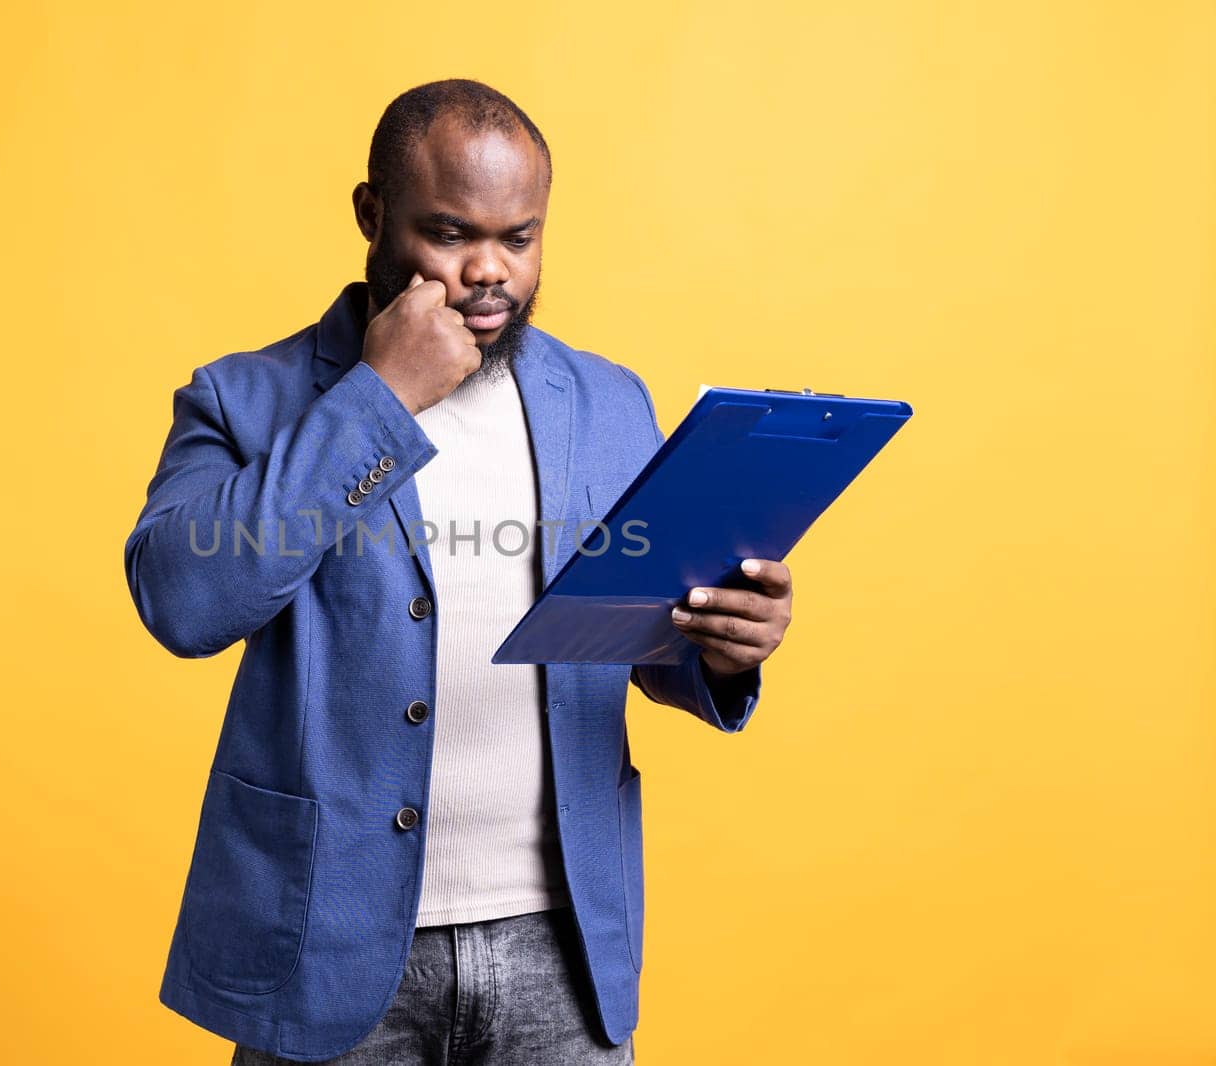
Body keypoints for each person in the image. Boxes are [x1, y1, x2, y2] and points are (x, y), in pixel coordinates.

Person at [123, 78, 793, 1065]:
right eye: (449, 233)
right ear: (372, 214)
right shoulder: (245, 396)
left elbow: (643, 641)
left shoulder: (605, 402)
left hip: (559, 943)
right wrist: (379, 398)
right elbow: (183, 597)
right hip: (329, 944)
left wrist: (726, 649)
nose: (490, 272)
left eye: (518, 238)